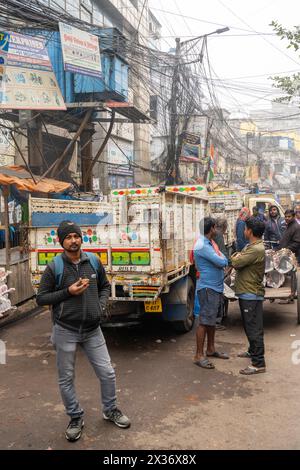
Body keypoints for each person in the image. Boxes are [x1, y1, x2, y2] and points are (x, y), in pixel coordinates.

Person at [37, 221, 130, 442]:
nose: (73, 240)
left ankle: (110, 409)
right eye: (68, 237)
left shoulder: (94, 261)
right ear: (61, 242)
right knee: (66, 378)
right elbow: (41, 298)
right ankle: (75, 417)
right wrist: (68, 292)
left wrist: (101, 305)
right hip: (65, 330)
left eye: (76, 236)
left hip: (92, 330)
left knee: (107, 372)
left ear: (82, 238)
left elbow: (105, 286)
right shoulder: (54, 267)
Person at [231, 217, 266, 375]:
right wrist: (238, 256)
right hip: (248, 292)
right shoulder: (252, 246)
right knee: (250, 326)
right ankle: (253, 352)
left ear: (250, 231)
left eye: (245, 228)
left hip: (251, 293)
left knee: (253, 328)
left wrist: (235, 257)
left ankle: (258, 363)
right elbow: (239, 258)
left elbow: (236, 262)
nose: (243, 231)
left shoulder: (255, 249)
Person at [193, 217, 229, 370]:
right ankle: (199, 355)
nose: (217, 230)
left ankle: (211, 349)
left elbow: (223, 258)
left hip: (214, 287)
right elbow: (222, 262)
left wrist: (222, 258)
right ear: (212, 228)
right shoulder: (203, 245)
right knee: (204, 321)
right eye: (215, 228)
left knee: (211, 320)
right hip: (208, 288)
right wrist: (222, 259)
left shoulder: (210, 243)